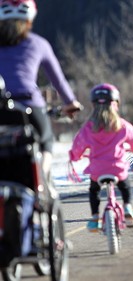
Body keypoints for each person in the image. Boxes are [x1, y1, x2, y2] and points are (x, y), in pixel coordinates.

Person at [0, 0, 82, 177]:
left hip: (1, 106)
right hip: (30, 105)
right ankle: (41, 182)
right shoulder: (38, 43)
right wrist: (70, 102)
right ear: (29, 19)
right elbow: (58, 81)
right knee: (46, 141)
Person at [69, 83, 133, 231]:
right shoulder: (121, 124)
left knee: (94, 190)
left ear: (94, 104)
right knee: (125, 185)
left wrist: (75, 156)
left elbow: (78, 145)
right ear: (115, 103)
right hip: (117, 168)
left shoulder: (89, 127)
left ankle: (95, 216)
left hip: (97, 170)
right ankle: (128, 207)